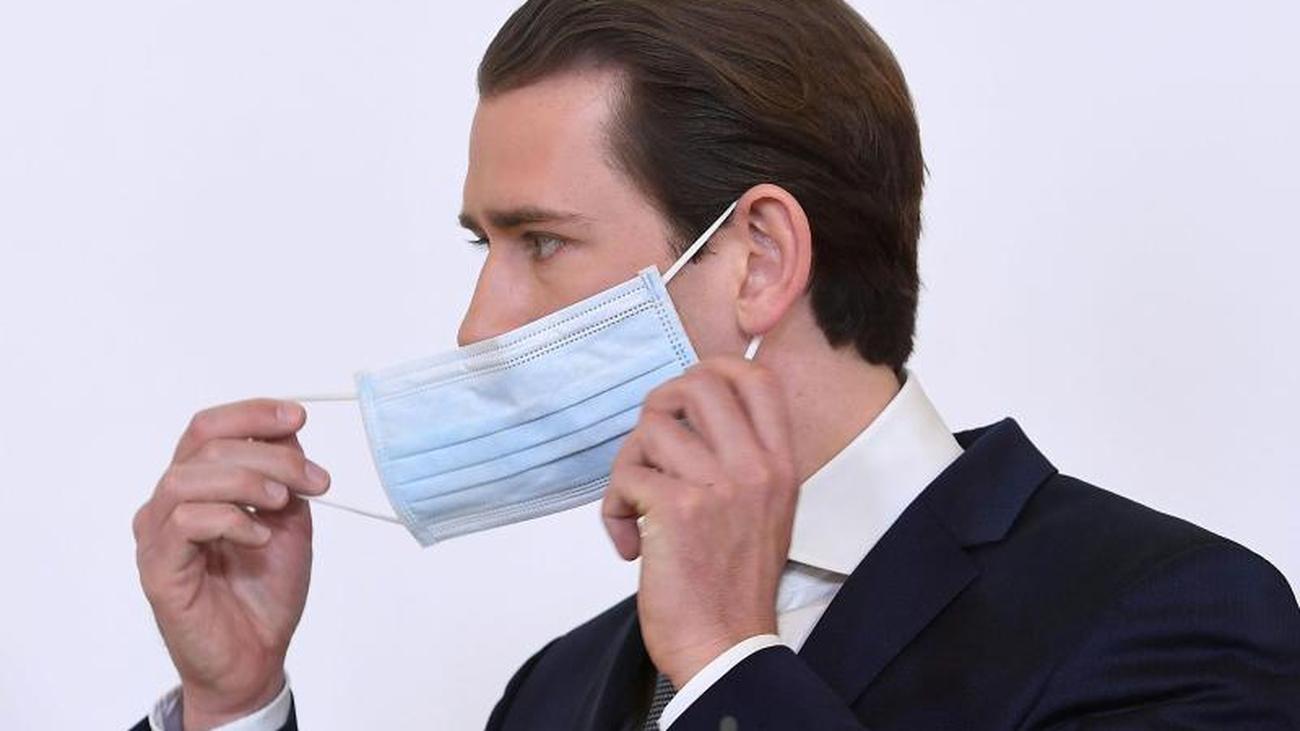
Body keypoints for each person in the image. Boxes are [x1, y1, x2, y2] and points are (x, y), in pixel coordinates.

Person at [130, 1, 1300, 729]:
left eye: (540, 241)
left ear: (758, 259)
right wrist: (235, 704)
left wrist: (730, 665)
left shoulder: (1169, 615)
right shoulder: (555, 691)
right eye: (484, 245)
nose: (479, 325)